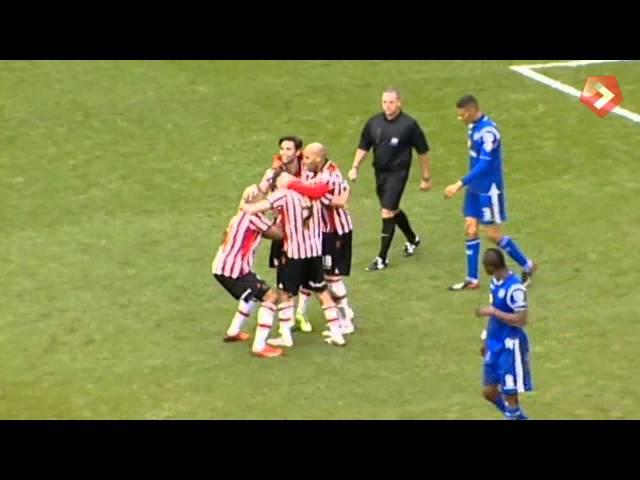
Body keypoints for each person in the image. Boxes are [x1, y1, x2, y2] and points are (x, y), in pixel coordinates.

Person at [241, 167, 347, 347]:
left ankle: (285, 335)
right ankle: (337, 333)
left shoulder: (283, 195)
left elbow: (255, 209)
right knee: (321, 291)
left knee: (285, 293)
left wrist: (244, 201)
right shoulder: (311, 191)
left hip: (294, 254)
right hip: (314, 251)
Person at [444, 94, 537, 290]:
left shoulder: (488, 132)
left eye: (462, 115)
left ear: (471, 111)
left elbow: (484, 166)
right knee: (470, 228)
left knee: (493, 235)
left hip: (489, 190)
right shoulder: (472, 127)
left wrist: (459, 183)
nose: (460, 119)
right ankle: (472, 279)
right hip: (475, 189)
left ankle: (527, 265)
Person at [348, 86, 432, 271]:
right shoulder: (374, 123)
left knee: (386, 212)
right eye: (384, 102)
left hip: (398, 173)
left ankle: (381, 258)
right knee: (392, 209)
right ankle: (413, 239)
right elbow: (364, 146)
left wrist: (426, 177)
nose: (387, 106)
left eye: (391, 102)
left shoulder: (409, 125)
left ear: (399, 102)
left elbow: (423, 151)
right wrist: (355, 167)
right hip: (380, 172)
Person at [211, 185, 286, 358]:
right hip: (235, 271)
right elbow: (278, 234)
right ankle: (259, 346)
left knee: (250, 295)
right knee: (271, 297)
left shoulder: (240, 215)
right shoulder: (254, 217)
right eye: (263, 197)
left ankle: (233, 332)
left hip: (223, 267)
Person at [295, 143, 355, 335]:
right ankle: (305, 313)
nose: (303, 162)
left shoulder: (329, 177)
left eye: (307, 158)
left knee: (331, 276)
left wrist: (291, 185)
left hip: (335, 232)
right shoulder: (322, 168)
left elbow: (317, 194)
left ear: (318, 159)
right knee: (316, 273)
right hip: (321, 232)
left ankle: (345, 319)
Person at [475, 248, 532, 420]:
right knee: (489, 392)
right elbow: (493, 313)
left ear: (492, 266)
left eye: (485, 266)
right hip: (494, 342)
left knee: (510, 395)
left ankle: (512, 415)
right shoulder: (495, 282)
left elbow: (522, 319)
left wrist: (494, 312)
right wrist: (486, 338)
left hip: (511, 345)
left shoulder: (515, 288)